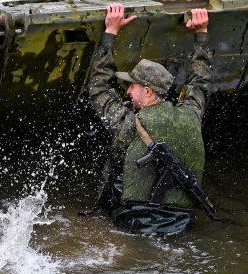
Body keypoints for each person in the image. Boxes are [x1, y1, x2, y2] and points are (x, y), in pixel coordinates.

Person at [88, 3, 213, 234]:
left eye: (132, 85)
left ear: (147, 91)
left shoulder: (130, 125)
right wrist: (201, 33)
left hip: (136, 223)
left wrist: (110, 33)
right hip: (181, 225)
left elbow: (97, 88)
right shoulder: (192, 115)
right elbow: (201, 82)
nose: (127, 91)